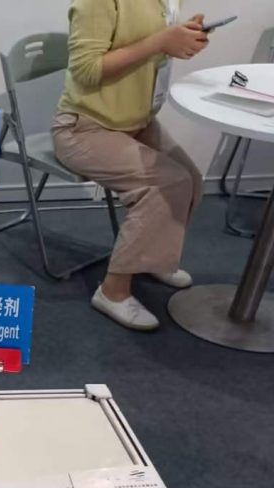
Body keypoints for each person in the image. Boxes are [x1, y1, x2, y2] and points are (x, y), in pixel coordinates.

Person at [52, 1, 208, 331]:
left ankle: (154, 259)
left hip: (136, 122)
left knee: (191, 180)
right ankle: (113, 291)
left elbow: (152, 47)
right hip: (84, 127)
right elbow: (86, 70)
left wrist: (182, 38)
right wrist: (161, 41)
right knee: (167, 183)